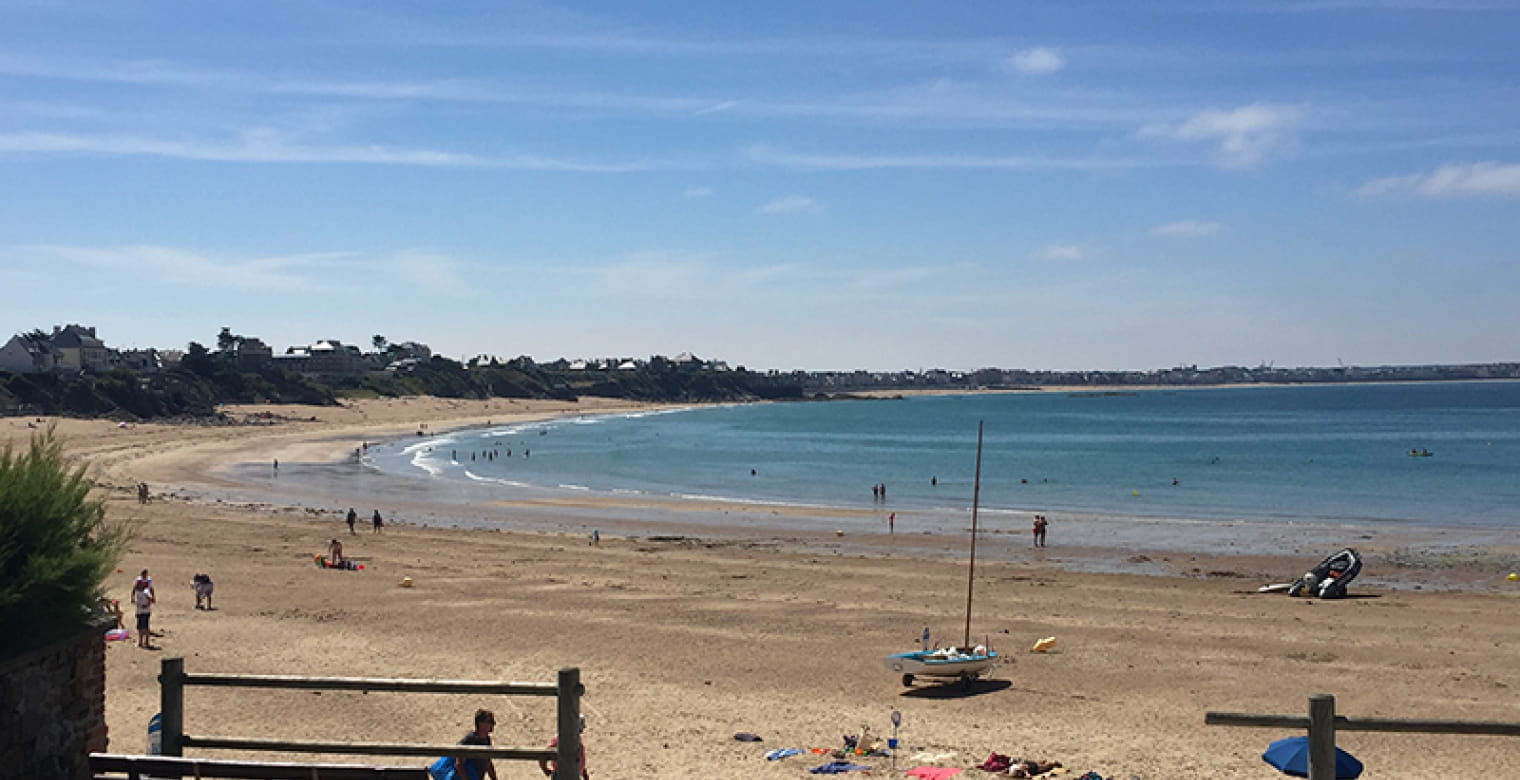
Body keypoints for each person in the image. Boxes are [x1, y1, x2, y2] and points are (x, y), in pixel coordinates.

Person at [431, 709, 498, 780]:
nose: (493, 724)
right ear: (480, 723)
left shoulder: (486, 740)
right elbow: (459, 765)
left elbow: (487, 763)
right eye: (490, 721)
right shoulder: (469, 740)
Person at [539, 715, 588, 779]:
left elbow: (579, 758)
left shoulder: (577, 739)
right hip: (562, 775)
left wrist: (584, 773)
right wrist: (544, 769)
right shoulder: (560, 739)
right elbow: (545, 754)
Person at [133, 578, 156, 649]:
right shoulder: (137, 591)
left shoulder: (146, 591)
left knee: (145, 627)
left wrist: (146, 605)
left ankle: (146, 642)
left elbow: (150, 599)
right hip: (139, 611)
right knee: (140, 628)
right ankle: (140, 642)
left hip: (145, 612)